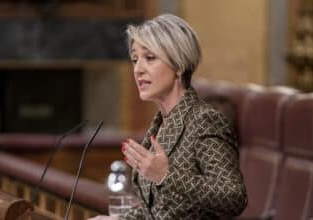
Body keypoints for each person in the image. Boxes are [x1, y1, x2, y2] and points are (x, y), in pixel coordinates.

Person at [89, 13, 247, 220]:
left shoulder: (205, 120)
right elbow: (157, 210)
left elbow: (234, 197)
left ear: (179, 65)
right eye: (135, 60)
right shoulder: (161, 123)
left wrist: (166, 175)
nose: (138, 69)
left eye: (150, 58)